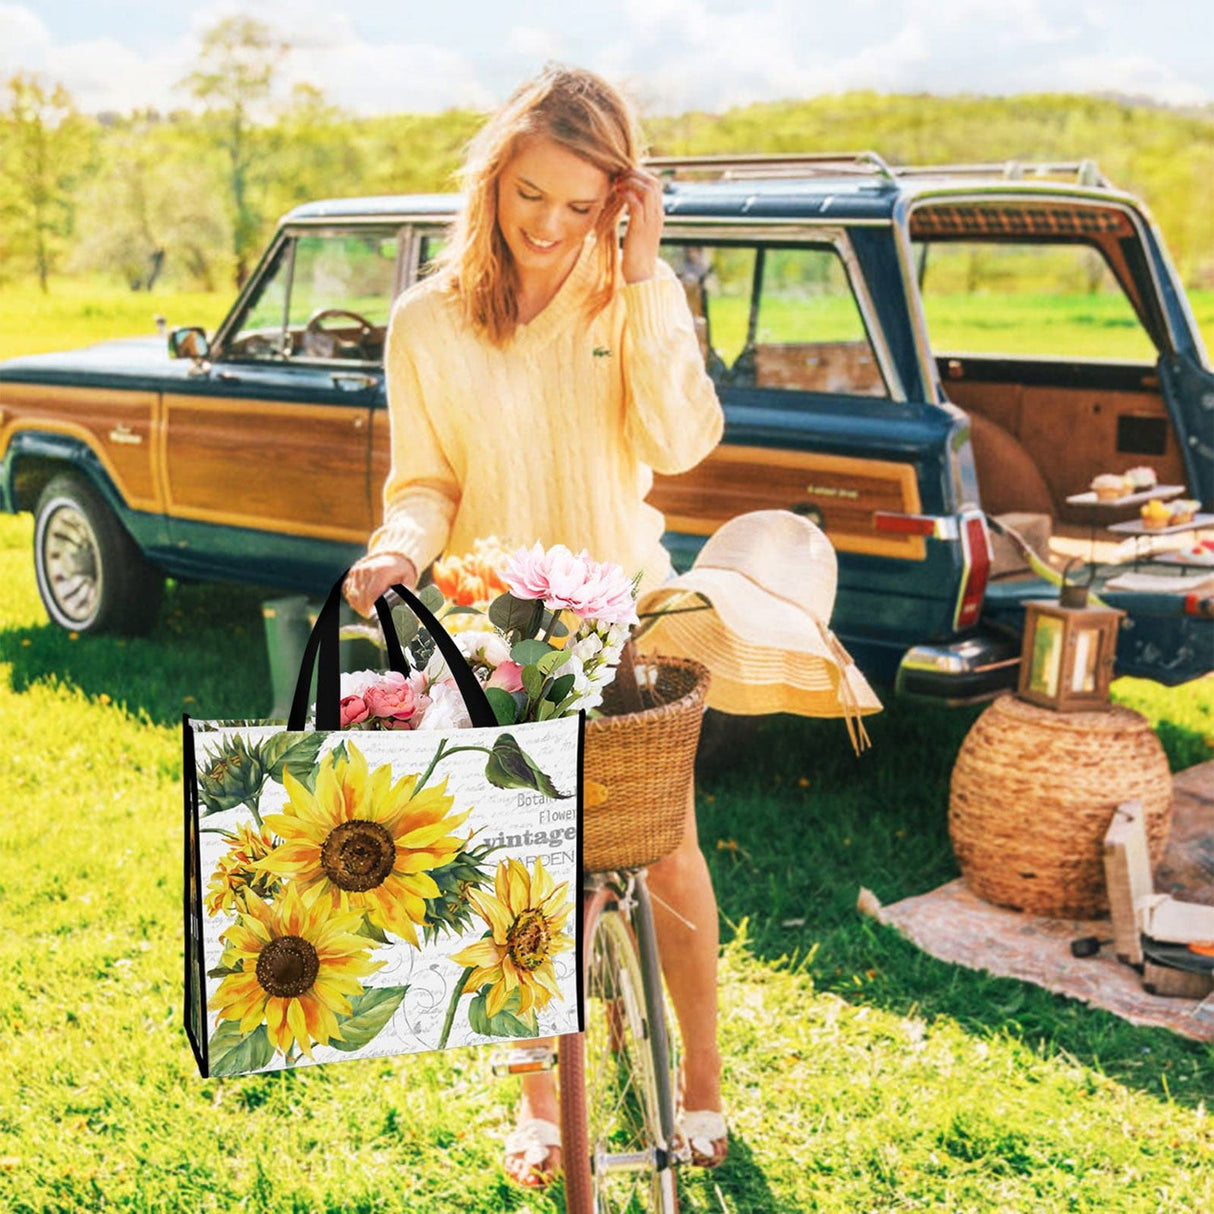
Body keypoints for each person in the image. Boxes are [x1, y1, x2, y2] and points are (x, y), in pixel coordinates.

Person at [342, 64, 727, 1188]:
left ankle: (698, 1078)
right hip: (487, 632)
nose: (551, 225)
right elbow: (424, 481)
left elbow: (682, 438)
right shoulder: (426, 322)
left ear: (619, 199)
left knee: (666, 848)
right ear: (492, 179)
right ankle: (538, 1101)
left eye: (581, 203)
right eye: (530, 197)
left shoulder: (629, 301)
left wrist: (646, 278)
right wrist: (397, 548)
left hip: (621, 616)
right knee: (509, 874)